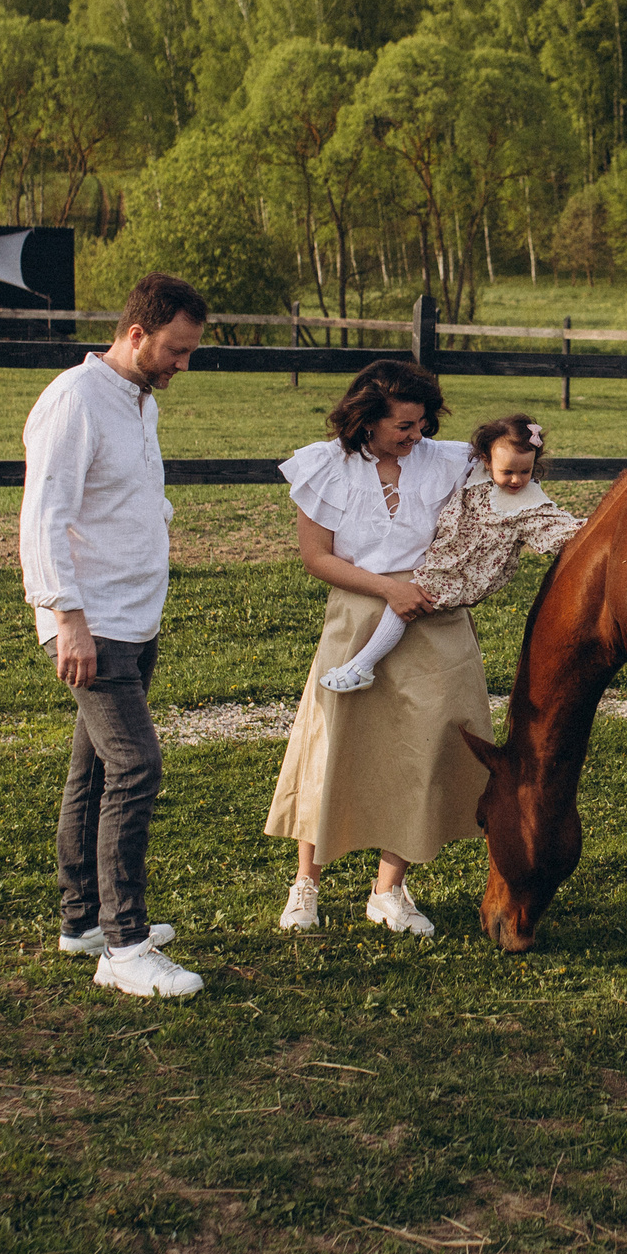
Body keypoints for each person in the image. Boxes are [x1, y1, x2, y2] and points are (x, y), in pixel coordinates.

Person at [21, 271, 208, 1000]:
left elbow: (121, 491)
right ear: (137, 334)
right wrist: (66, 616)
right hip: (90, 622)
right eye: (175, 349)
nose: (182, 365)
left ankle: (83, 921)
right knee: (137, 766)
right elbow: (43, 516)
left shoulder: (137, 399)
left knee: (96, 769)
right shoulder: (73, 400)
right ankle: (125, 944)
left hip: (134, 616)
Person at [264, 360, 493, 938]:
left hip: (436, 621)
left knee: (431, 747)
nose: (417, 436)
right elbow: (317, 557)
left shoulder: (450, 462)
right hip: (360, 614)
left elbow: (516, 472)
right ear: (366, 421)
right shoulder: (326, 466)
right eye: (403, 427)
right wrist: (389, 588)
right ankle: (306, 885)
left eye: (422, 425)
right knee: (334, 744)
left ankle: (389, 888)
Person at [320, 413, 583, 693]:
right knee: (409, 599)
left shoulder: (527, 501)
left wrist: (594, 530)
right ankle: (362, 666)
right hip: (446, 555)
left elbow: (555, 529)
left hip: (466, 570)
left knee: (409, 603)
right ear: (486, 460)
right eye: (508, 471)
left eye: (525, 471)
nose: (517, 480)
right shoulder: (479, 472)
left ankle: (362, 666)